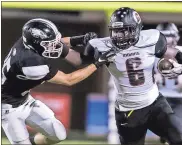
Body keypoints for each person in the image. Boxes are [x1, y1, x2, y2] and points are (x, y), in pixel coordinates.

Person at [1, 18, 114, 145]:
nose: (53, 45)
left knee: (59, 134)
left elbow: (66, 50)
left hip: (24, 100)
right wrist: (97, 63)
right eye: (49, 44)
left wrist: (80, 39)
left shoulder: (28, 43)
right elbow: (68, 79)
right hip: (7, 108)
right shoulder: (32, 65)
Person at [82, 7, 182, 145]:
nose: (120, 36)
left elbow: (174, 53)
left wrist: (178, 64)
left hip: (154, 102)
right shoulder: (102, 45)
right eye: (116, 31)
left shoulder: (150, 39)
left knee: (179, 137)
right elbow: (79, 60)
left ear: (136, 29)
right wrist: (70, 44)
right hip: (129, 110)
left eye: (125, 30)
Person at [155, 22, 182, 144]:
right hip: (159, 99)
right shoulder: (151, 55)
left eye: (169, 36)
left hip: (179, 99)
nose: (167, 40)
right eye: (164, 36)